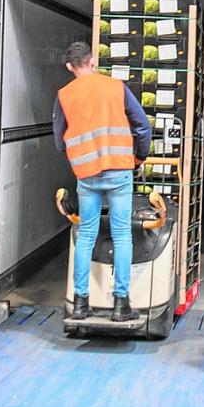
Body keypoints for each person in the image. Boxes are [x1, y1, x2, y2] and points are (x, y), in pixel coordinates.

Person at [53, 42, 152, 322]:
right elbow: (143, 125)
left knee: (86, 235)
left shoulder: (64, 95)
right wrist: (139, 156)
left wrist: (80, 157)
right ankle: (121, 305)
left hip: (86, 173)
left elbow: (60, 140)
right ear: (93, 61)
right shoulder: (116, 87)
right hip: (119, 170)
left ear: (70, 67)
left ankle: (81, 304)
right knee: (122, 235)